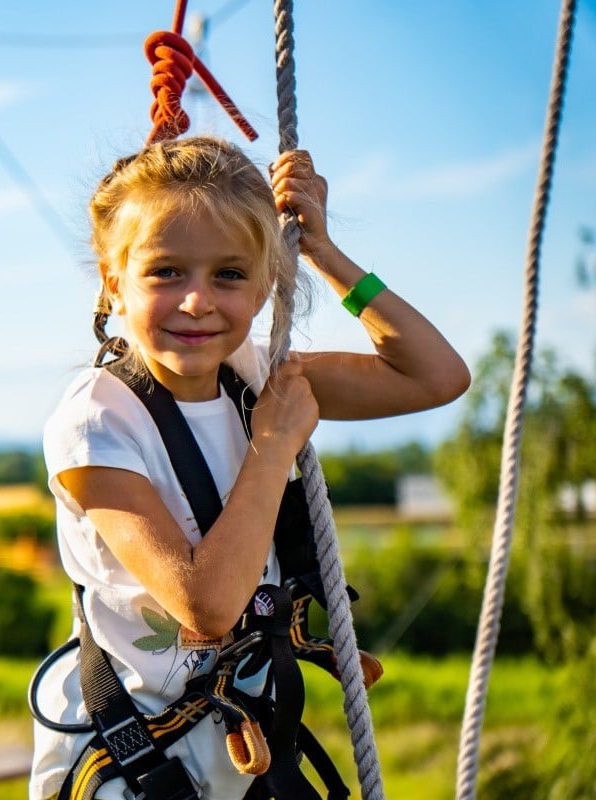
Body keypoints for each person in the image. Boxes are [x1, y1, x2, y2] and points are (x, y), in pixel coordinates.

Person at [30, 136, 470, 800]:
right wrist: (271, 446)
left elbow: (437, 376)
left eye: (230, 275)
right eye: (166, 272)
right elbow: (206, 607)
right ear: (113, 280)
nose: (197, 301)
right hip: (133, 765)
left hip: (238, 754)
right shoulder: (97, 423)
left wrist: (325, 254)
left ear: (267, 286)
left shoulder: (254, 377)